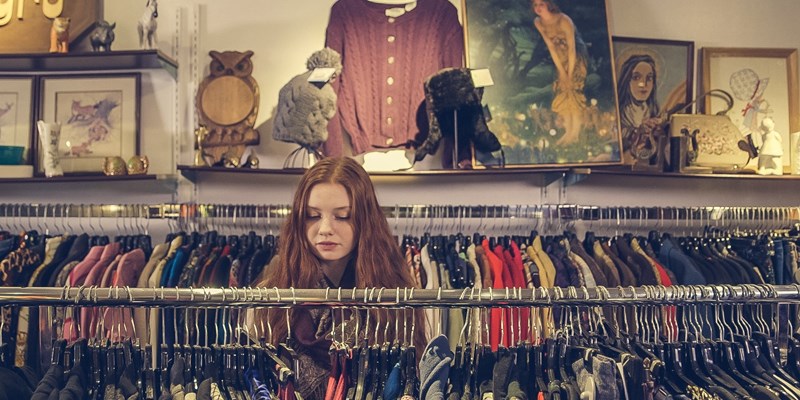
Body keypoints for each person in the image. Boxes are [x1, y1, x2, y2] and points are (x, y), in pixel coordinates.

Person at [255, 157, 425, 399]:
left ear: (364, 220)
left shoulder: (394, 296)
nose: (325, 228)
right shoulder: (275, 294)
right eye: (313, 216)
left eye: (342, 216)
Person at [532, 0, 588, 146]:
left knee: (573, 93)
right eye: (535, 5)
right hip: (560, 58)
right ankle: (568, 132)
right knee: (562, 93)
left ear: (548, 5)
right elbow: (551, 46)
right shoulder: (538, 22)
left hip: (575, 58)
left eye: (541, 4)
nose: (538, 8)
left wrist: (569, 74)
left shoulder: (564, 20)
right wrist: (562, 72)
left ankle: (575, 133)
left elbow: (572, 49)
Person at [616, 54, 662, 160]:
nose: (643, 84)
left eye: (649, 78)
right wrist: (636, 132)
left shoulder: (653, 112)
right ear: (627, 81)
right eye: (636, 77)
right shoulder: (619, 113)